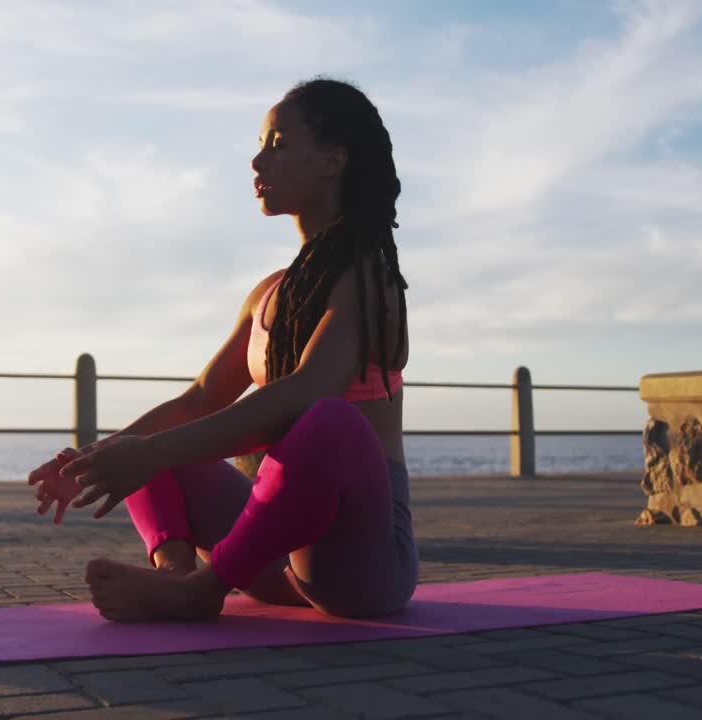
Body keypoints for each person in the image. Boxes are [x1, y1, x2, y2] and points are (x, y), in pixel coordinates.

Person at [27, 78, 415, 622]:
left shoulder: (369, 279)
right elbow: (200, 399)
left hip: (353, 563)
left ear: (333, 160)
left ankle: (203, 590)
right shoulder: (268, 294)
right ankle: (176, 576)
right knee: (154, 437)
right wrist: (99, 459)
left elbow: (304, 394)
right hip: (266, 554)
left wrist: (151, 453)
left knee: (328, 419)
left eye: (277, 144)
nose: (257, 162)